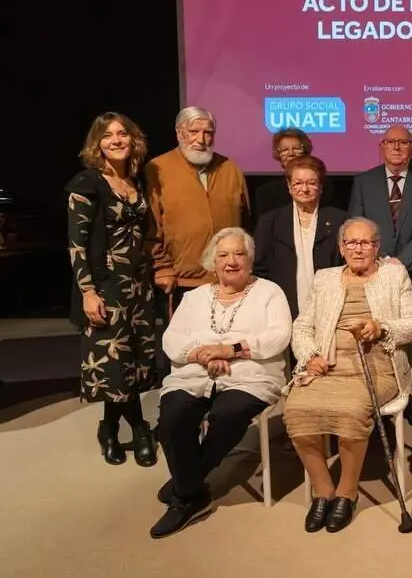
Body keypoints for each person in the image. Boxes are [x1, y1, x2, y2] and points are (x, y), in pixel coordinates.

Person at [287, 217, 412, 532]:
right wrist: (310, 356)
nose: (358, 249)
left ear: (377, 247)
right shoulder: (324, 278)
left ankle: (347, 493)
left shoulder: (393, 274)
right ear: (341, 247)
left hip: (378, 363)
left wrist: (382, 327)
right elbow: (302, 326)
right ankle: (323, 491)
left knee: (351, 411)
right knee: (296, 410)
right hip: (328, 364)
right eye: (351, 242)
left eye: (365, 243)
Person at [151, 228, 291, 539]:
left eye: (239, 254)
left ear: (250, 260)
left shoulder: (270, 292)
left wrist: (231, 350)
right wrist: (200, 354)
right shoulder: (194, 297)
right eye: (223, 255)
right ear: (212, 262)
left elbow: (280, 336)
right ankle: (192, 486)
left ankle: (185, 493)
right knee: (172, 418)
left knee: (227, 414)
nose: (231, 261)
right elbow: (172, 339)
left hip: (252, 374)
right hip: (195, 372)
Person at [65, 112, 158, 467]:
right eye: (108, 136)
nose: (117, 140)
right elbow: (76, 245)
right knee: (113, 365)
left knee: (131, 364)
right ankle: (139, 428)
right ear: (97, 144)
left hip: (138, 287)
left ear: (134, 140)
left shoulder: (136, 183)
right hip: (106, 288)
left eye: (123, 134)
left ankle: (108, 427)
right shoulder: (87, 183)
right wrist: (88, 291)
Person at [145, 107, 250, 378]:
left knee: (226, 352)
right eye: (193, 132)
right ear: (179, 133)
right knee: (188, 353)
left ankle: (221, 411)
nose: (201, 139)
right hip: (183, 280)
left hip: (228, 280)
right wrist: (161, 266)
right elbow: (151, 225)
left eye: (208, 132)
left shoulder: (231, 168)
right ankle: (187, 410)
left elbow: (246, 222)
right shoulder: (158, 169)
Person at [254, 155, 347, 319]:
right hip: (282, 309)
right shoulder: (270, 222)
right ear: (289, 187)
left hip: (330, 309)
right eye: (298, 183)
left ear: (321, 186)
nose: (305, 189)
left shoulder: (340, 220)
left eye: (311, 183)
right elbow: (260, 269)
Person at [348, 126, 412, 280]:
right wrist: (381, 260)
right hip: (372, 271)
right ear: (382, 146)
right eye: (391, 142)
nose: (396, 147)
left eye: (403, 142)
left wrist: (402, 260)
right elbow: (356, 226)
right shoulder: (363, 182)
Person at [253, 128, 335, 219]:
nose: (291, 153)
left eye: (296, 148)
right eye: (285, 150)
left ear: (306, 151)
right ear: (278, 155)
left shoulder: (325, 186)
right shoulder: (266, 192)